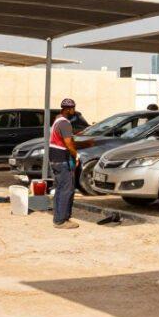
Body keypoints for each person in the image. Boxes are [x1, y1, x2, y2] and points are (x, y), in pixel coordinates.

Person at [49, 98, 93, 229]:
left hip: (55, 158)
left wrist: (86, 144)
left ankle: (58, 218)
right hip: (62, 159)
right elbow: (68, 144)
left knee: (60, 189)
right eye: (73, 108)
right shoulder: (65, 123)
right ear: (68, 109)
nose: (74, 110)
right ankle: (61, 220)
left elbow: (68, 142)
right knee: (67, 190)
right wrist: (76, 156)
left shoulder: (58, 120)